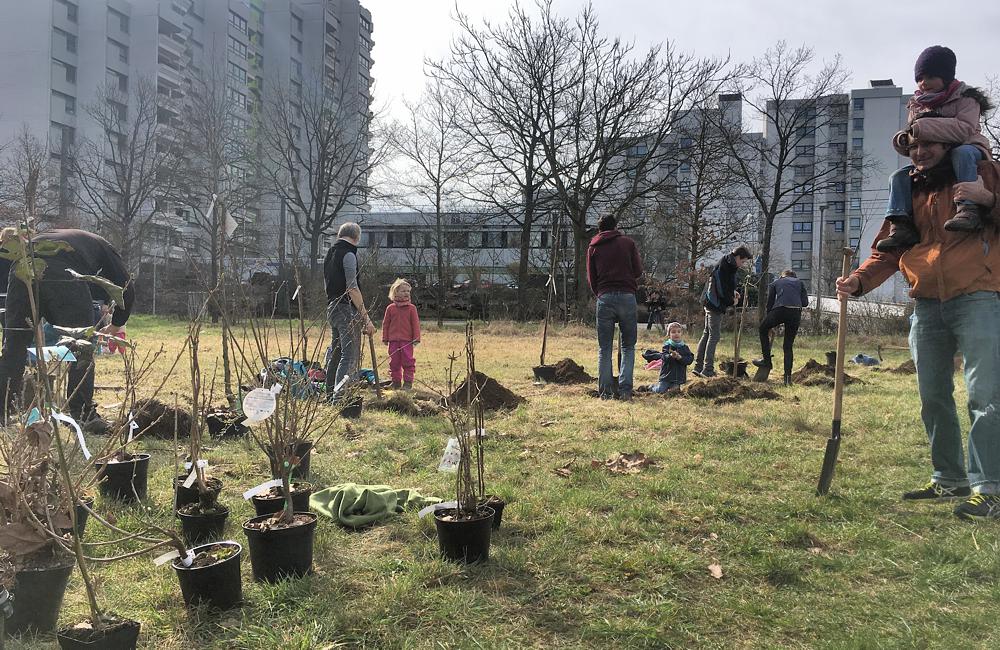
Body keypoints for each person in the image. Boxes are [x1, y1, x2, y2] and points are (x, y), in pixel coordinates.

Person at [835, 133, 1000, 521]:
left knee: (986, 397)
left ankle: (989, 488)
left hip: (978, 296)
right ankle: (949, 477)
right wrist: (859, 281)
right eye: (913, 148)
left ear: (949, 145)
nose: (920, 153)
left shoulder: (984, 174)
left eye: (929, 145)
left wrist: (988, 200)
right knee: (933, 396)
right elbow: (888, 250)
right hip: (926, 304)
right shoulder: (907, 190)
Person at [0, 228, 134, 424]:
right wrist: (117, 324)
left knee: (14, 346)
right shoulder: (104, 248)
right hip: (61, 271)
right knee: (81, 346)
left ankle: (1, 411)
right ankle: (83, 416)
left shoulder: (62, 237)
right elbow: (126, 286)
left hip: (22, 266)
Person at [875, 45, 993, 251]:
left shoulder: (966, 98)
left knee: (962, 153)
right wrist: (905, 139)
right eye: (919, 78)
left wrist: (923, 128)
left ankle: (967, 206)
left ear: (946, 77)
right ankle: (901, 224)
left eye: (930, 76)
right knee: (898, 176)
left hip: (969, 146)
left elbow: (964, 129)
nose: (924, 83)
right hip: (939, 157)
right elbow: (916, 137)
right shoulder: (917, 104)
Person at [586, 215, 644, 400]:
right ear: (616, 226)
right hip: (627, 296)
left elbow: (591, 278)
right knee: (628, 346)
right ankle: (625, 390)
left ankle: (605, 392)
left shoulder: (593, 247)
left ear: (599, 228)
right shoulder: (628, 243)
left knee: (604, 348)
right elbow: (638, 271)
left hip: (605, 297)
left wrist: (601, 294)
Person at [323, 222, 375, 402]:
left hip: (332, 307)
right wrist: (366, 319)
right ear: (357, 237)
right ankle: (339, 399)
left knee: (336, 353)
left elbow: (328, 285)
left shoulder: (330, 254)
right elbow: (352, 288)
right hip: (346, 309)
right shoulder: (349, 254)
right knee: (349, 354)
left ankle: (329, 395)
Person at [694, 246, 753, 378]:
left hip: (711, 302)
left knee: (707, 333)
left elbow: (725, 286)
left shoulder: (729, 264)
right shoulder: (725, 266)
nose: (742, 265)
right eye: (742, 261)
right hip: (714, 304)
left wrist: (733, 292)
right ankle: (707, 369)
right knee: (714, 336)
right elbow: (720, 288)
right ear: (738, 257)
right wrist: (731, 301)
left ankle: (698, 367)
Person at [752, 269, 809, 386]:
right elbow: (805, 303)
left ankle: (767, 361)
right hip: (795, 312)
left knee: (762, 329)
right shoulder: (800, 283)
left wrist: (770, 323)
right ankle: (787, 379)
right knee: (788, 346)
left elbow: (770, 303)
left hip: (780, 309)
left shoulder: (776, 282)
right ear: (794, 277)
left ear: (782, 276)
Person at [381, 278, 420, 390]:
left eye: (408, 291)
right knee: (394, 362)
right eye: (403, 291)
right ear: (395, 292)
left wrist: (416, 338)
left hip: (407, 341)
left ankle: (408, 382)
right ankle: (396, 382)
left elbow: (415, 324)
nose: (406, 293)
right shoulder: (390, 308)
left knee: (408, 360)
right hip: (393, 341)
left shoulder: (411, 309)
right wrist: (385, 338)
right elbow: (386, 324)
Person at [642, 322, 694, 393]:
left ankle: (672, 389)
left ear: (681, 333)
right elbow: (663, 357)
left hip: (678, 377)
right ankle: (651, 387)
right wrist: (670, 356)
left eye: (678, 332)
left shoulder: (684, 347)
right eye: (673, 332)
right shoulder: (667, 346)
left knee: (674, 392)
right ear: (669, 335)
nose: (676, 334)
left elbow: (689, 360)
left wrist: (680, 358)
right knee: (661, 390)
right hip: (667, 376)